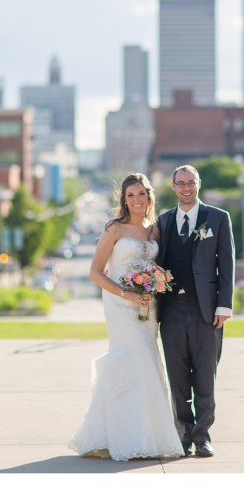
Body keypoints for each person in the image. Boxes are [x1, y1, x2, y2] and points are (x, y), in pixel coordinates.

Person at [68, 173, 184, 461]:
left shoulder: (154, 230)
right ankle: (121, 436)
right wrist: (126, 294)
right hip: (120, 304)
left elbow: (159, 267)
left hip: (148, 304)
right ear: (123, 199)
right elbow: (96, 272)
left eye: (141, 194)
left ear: (149, 197)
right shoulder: (114, 229)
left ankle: (150, 436)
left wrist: (155, 285)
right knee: (128, 358)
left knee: (148, 360)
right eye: (130, 195)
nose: (136, 200)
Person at [156, 165, 235, 458]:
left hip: (207, 310)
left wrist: (224, 305)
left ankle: (202, 436)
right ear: (173, 187)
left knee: (205, 375)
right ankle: (183, 435)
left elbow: (226, 265)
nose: (186, 188)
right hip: (172, 310)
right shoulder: (162, 222)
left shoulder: (218, 218)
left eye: (191, 183)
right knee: (178, 377)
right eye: (181, 184)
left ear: (199, 184)